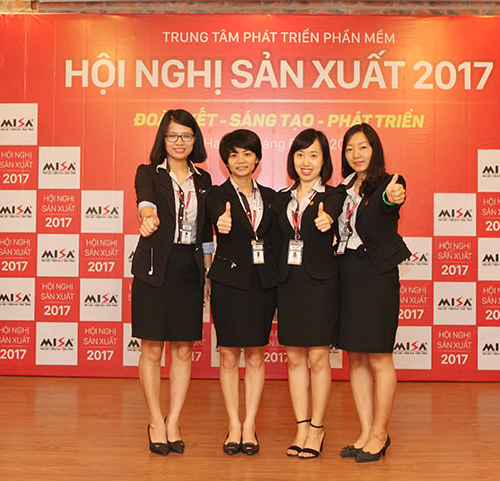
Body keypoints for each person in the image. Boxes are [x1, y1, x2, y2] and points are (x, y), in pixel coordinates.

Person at [131, 109, 213, 456]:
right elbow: (146, 202)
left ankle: (174, 420)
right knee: (151, 350)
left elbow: (206, 233)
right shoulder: (149, 172)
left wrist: (206, 275)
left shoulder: (204, 179)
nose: (180, 142)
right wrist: (148, 218)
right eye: (173, 135)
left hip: (188, 270)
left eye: (186, 135)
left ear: (195, 140)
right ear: (163, 139)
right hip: (154, 269)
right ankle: (155, 420)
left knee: (183, 350)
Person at [268, 128, 345, 459]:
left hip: (320, 284)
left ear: (324, 160)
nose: (306, 161)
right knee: (295, 357)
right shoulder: (280, 199)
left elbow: (338, 219)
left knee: (318, 357)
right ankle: (301, 426)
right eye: (300, 154)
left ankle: (317, 427)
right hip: (289, 284)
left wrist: (330, 222)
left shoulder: (335, 196)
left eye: (314, 155)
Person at [334, 123, 408, 463]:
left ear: (374, 150)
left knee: (379, 356)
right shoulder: (342, 189)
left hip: (377, 276)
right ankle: (365, 432)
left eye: (362, 147)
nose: (356, 154)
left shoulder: (389, 183)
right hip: (347, 274)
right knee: (356, 357)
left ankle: (381, 432)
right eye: (350, 148)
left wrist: (393, 197)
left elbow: (390, 200)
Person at [204, 129, 278, 456]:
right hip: (229, 284)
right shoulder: (216, 195)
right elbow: (214, 219)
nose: (241, 160)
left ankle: (250, 424)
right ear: (226, 161)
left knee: (257, 355)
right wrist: (220, 223)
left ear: (257, 158)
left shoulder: (272, 197)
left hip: (262, 284)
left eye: (247, 153)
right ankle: (233, 424)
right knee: (229, 355)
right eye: (233, 155)